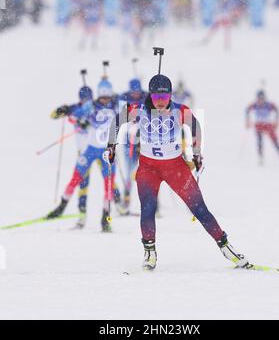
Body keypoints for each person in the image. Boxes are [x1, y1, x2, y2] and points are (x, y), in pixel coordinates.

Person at [105, 73, 249, 270]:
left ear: (171, 95)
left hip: (176, 168)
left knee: (199, 209)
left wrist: (197, 153)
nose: (161, 103)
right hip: (148, 169)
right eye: (157, 98)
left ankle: (226, 247)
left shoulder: (180, 110)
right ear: (151, 96)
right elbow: (116, 121)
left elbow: (195, 126)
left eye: (165, 98)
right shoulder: (138, 110)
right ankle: (149, 252)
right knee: (148, 210)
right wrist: (111, 146)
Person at [47, 78, 121, 232]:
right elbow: (74, 115)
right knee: (76, 179)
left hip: (108, 151)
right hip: (91, 150)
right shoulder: (91, 105)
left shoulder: (117, 104)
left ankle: (105, 219)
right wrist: (71, 115)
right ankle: (61, 207)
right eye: (102, 96)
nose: (105, 100)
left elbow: (133, 113)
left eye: (107, 96)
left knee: (109, 185)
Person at [51, 85, 94, 221]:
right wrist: (60, 110)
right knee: (81, 181)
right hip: (83, 152)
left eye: (89, 99)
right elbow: (53, 116)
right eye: (83, 99)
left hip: (99, 149)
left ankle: (118, 205)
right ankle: (81, 213)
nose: (86, 101)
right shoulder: (75, 108)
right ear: (79, 99)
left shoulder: (96, 107)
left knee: (109, 179)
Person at [117, 78, 148, 214]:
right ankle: (126, 202)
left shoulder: (146, 98)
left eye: (137, 92)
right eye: (133, 92)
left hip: (143, 141)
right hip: (128, 142)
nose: (135, 94)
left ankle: (152, 204)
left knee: (148, 174)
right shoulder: (124, 99)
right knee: (129, 173)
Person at [246, 90, 279, 165]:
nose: (260, 100)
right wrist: (247, 121)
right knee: (259, 141)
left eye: (262, 98)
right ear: (257, 98)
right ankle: (260, 158)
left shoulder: (269, 105)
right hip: (259, 124)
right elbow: (247, 110)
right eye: (259, 98)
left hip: (268, 125)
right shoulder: (254, 105)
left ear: (265, 98)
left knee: (275, 141)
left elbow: (277, 110)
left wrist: (277, 121)